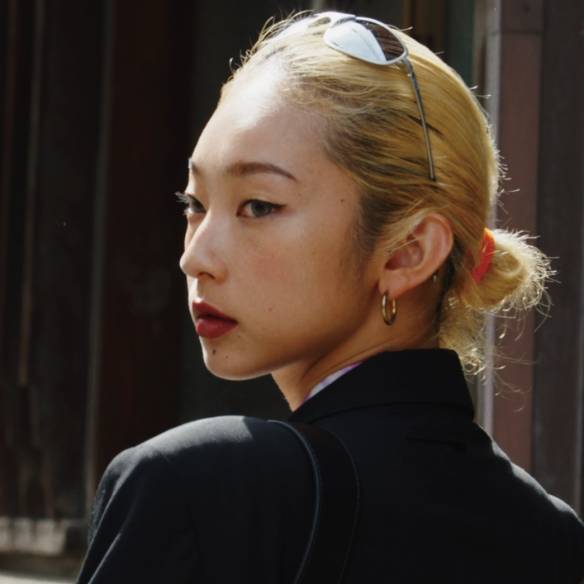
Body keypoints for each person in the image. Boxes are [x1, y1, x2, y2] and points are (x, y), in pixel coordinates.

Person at [76, 11, 584, 583]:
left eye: (259, 206)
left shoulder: (199, 490)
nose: (195, 257)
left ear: (408, 252)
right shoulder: (554, 536)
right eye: (194, 205)